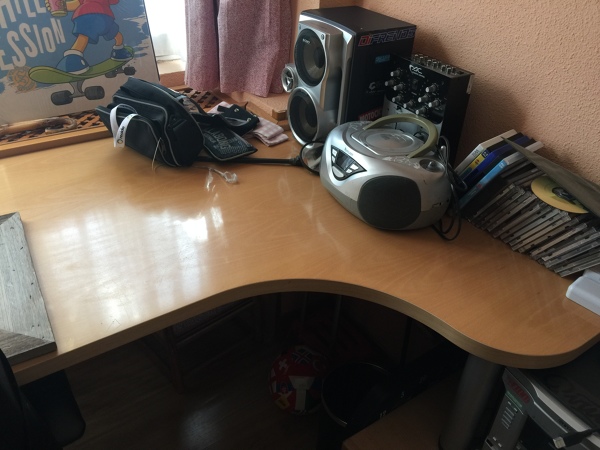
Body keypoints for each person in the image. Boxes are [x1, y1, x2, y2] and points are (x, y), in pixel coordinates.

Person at [51, 0, 132, 74]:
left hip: (102, 16)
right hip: (94, 15)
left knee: (114, 34)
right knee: (85, 36)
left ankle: (119, 51)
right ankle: (73, 60)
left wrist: (62, 5)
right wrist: (62, 5)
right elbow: (77, 3)